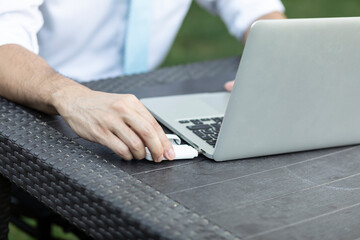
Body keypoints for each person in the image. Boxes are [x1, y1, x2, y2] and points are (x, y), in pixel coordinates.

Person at [0, 0, 286, 162]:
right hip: (40, 103)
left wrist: (273, 63)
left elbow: (258, 10)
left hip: (143, 97)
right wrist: (71, 96)